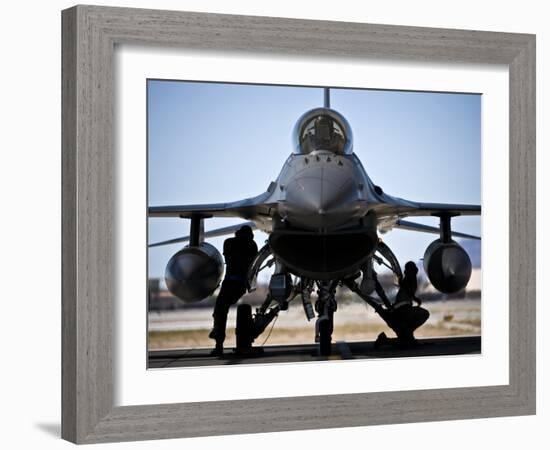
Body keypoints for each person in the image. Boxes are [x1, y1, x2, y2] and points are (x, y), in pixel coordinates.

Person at [208, 225, 258, 356]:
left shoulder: (229, 243)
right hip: (240, 284)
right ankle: (218, 336)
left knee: (221, 309)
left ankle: (218, 342)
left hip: (230, 283)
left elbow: (229, 255)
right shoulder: (252, 246)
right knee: (221, 308)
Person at [375, 261, 430, 348]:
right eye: (412, 269)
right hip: (402, 311)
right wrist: (416, 299)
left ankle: (386, 340)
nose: (415, 271)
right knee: (424, 314)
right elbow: (407, 290)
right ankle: (387, 339)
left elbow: (406, 289)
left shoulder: (409, 280)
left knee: (407, 341)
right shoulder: (410, 280)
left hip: (401, 312)